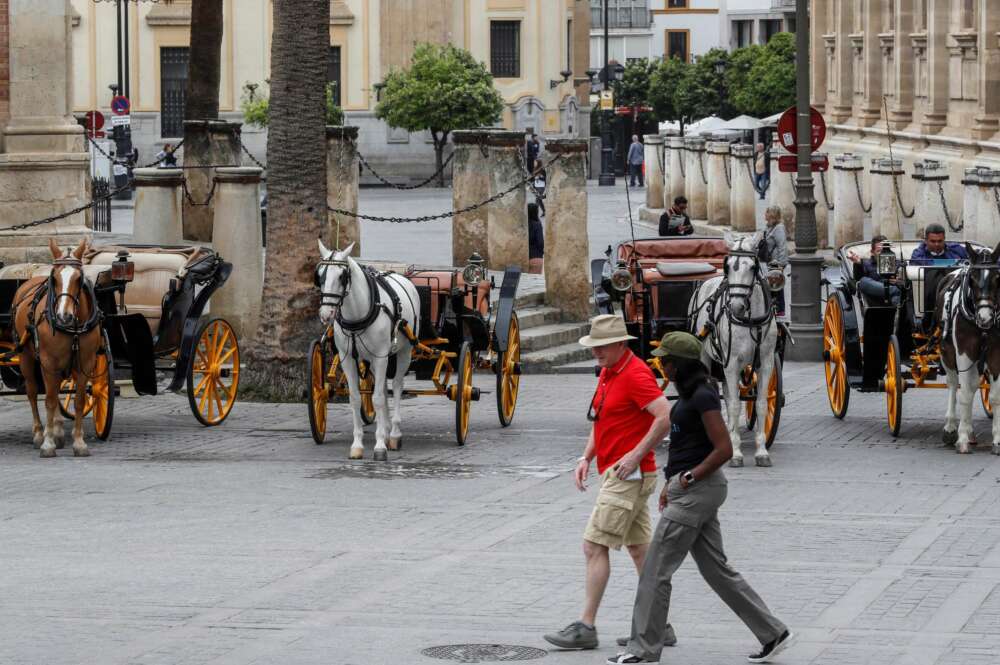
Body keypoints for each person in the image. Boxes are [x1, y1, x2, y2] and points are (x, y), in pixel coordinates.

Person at [609, 332, 793, 665]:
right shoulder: (692, 393)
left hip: (697, 492)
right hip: (691, 490)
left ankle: (643, 649)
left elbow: (723, 449)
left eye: (665, 361)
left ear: (679, 364)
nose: (661, 366)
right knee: (716, 570)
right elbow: (686, 447)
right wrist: (671, 484)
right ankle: (773, 632)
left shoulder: (704, 396)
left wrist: (688, 479)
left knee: (655, 570)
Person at [544, 314, 673, 652]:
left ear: (620, 344)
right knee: (639, 548)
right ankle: (661, 624)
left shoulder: (635, 374)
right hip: (620, 472)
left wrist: (634, 455)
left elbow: (664, 417)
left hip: (627, 475)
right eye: (593, 347)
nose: (596, 353)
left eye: (601, 347)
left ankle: (586, 627)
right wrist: (585, 457)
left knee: (594, 546)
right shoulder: (608, 371)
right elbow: (601, 418)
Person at [847, 235, 901, 306]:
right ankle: (894, 291)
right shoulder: (865, 263)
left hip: (893, 297)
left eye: (885, 250)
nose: (882, 253)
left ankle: (898, 311)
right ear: (872, 252)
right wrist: (858, 263)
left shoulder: (897, 263)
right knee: (863, 281)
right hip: (874, 296)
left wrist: (899, 281)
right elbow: (857, 280)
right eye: (879, 251)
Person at [760, 206, 788, 317]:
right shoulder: (769, 227)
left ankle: (780, 313)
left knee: (777, 289)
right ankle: (770, 311)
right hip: (768, 263)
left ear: (771, 214)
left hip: (776, 264)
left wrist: (781, 265)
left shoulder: (779, 228)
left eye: (766, 212)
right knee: (770, 288)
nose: (764, 214)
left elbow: (782, 247)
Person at [528, 202, 544, 275]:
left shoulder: (523, 224)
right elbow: (540, 242)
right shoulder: (537, 224)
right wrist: (541, 252)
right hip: (535, 256)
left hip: (524, 256)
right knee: (533, 281)